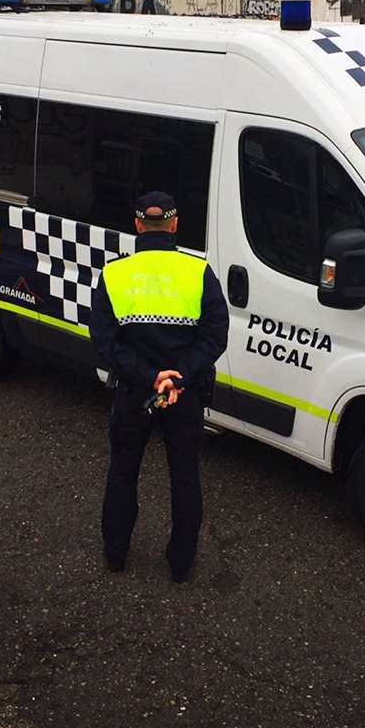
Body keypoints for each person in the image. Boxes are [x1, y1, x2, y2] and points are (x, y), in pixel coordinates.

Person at [88, 191, 230, 583]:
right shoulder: (198, 272)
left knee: (123, 471)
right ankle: (180, 565)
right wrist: (177, 377)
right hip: (182, 396)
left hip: (134, 393)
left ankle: (115, 554)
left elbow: (103, 339)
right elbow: (215, 335)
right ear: (175, 224)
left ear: (136, 226)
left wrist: (150, 377)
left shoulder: (115, 274)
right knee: (184, 476)